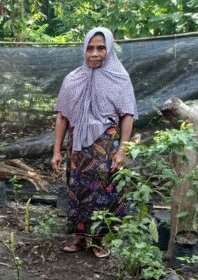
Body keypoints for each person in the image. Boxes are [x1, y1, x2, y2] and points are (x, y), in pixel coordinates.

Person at [51, 27, 137, 258]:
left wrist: (122, 150)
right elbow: (62, 116)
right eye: (90, 48)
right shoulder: (73, 79)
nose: (95, 53)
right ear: (84, 50)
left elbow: (127, 115)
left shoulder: (120, 78)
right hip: (77, 146)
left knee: (103, 191)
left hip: (104, 146)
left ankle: (100, 240)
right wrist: (57, 151)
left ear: (108, 49)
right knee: (77, 189)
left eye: (101, 48)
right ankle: (79, 238)